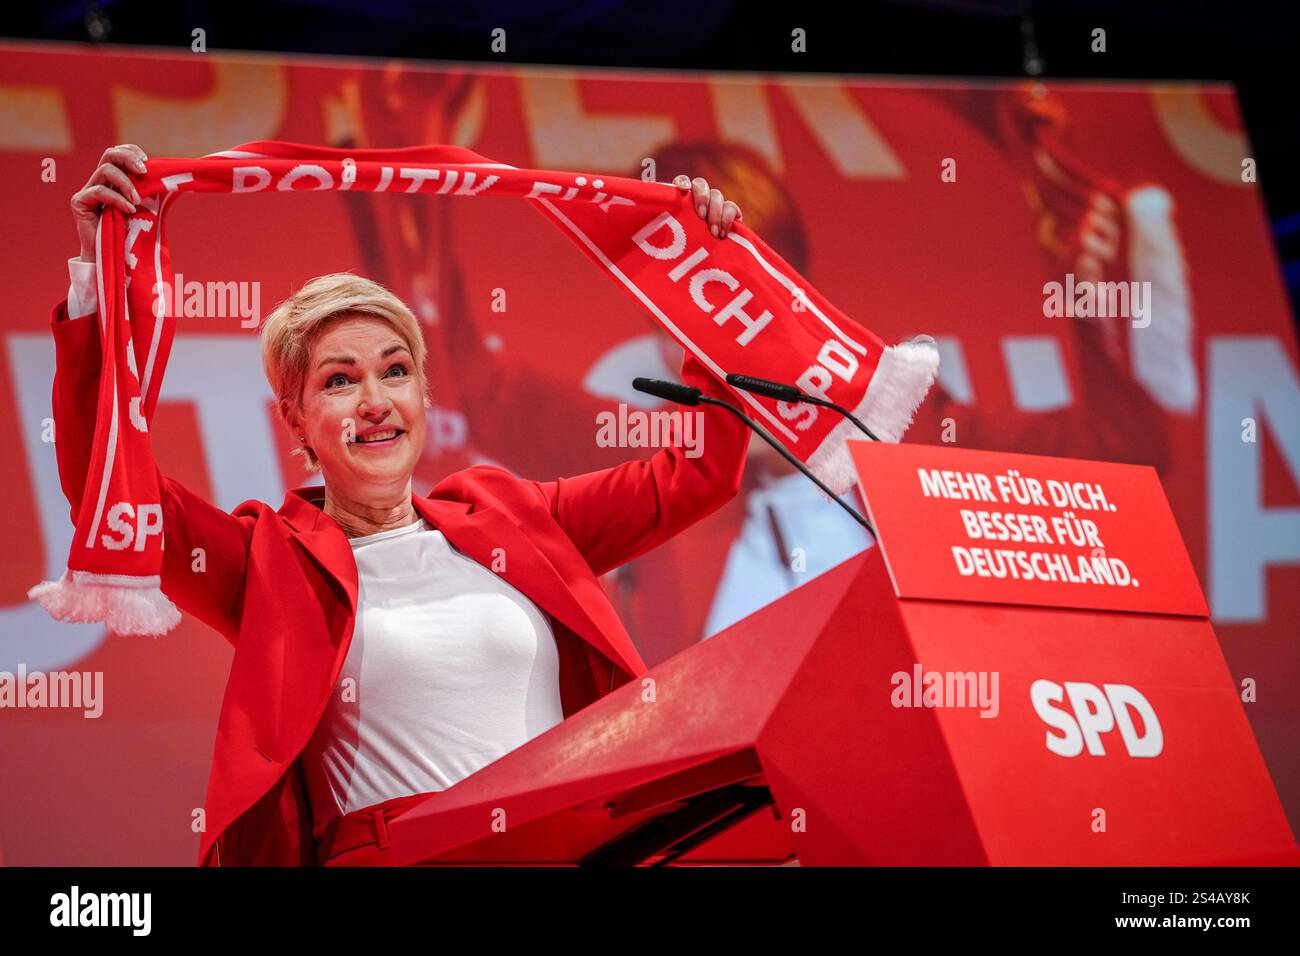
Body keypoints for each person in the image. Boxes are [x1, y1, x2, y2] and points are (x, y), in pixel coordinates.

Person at [56, 143, 748, 866]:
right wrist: (100, 279)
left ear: (425, 394)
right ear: (295, 420)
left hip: (562, 844)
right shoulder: (267, 561)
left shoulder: (518, 517)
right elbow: (106, 487)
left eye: (395, 370)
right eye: (339, 381)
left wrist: (700, 285)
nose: (376, 401)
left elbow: (700, 473)